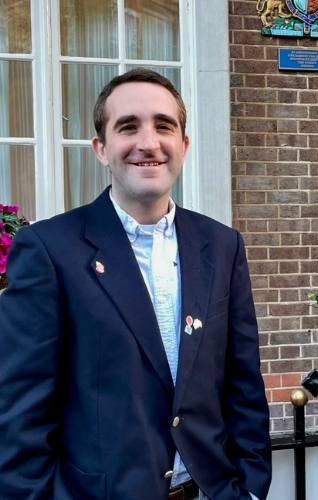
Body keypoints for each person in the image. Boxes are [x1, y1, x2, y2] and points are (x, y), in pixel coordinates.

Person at [0, 68, 271, 500]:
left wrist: (251, 488)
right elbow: (21, 414)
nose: (149, 142)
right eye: (128, 127)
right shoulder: (49, 250)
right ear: (101, 149)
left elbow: (244, 385)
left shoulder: (222, 245)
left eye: (164, 126)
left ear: (183, 145)